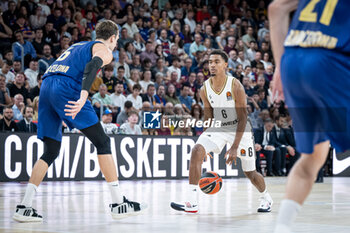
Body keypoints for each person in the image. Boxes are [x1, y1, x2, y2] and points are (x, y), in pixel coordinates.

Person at [13, 20, 146, 223]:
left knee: (50, 150)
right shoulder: (104, 50)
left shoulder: (78, 45)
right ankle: (119, 203)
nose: (116, 43)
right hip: (67, 88)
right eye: (117, 39)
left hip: (47, 85)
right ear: (113, 37)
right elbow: (93, 66)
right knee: (103, 142)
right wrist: (84, 94)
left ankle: (24, 206)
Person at [269, 1, 350, 232]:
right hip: (330, 62)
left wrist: (279, 67)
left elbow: (277, 8)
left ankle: (282, 227)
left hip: (293, 64)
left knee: (313, 156)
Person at [171, 49, 273, 213]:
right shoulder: (204, 88)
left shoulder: (235, 85)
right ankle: (191, 202)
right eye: (210, 62)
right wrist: (205, 141)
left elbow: (243, 118)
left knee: (250, 173)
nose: (212, 65)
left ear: (225, 65)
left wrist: (234, 147)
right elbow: (208, 114)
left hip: (240, 129)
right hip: (218, 127)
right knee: (197, 150)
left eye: (216, 61)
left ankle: (266, 197)